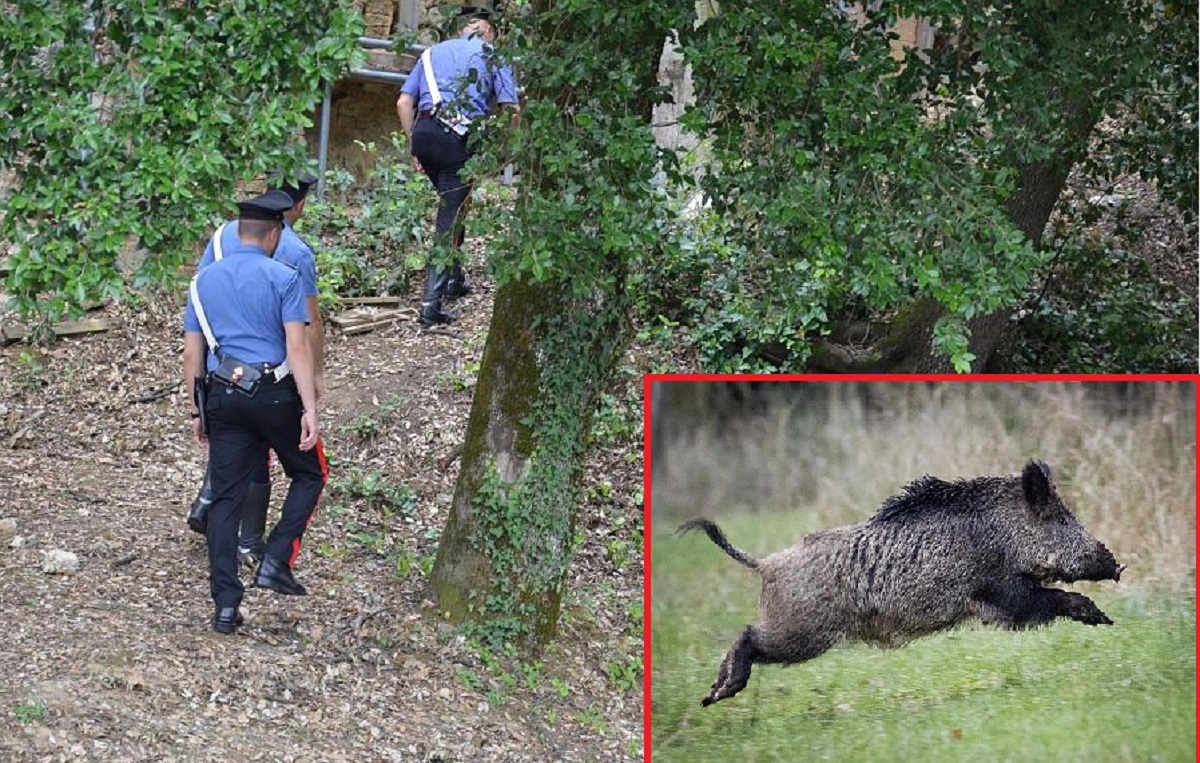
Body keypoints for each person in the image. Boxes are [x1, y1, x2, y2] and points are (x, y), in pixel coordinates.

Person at [183, 189, 327, 634]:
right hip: (274, 393)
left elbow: (193, 353)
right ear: (272, 235)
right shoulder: (283, 278)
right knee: (310, 472)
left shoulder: (202, 281)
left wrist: (197, 410)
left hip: (223, 394)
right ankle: (277, 559)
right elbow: (297, 347)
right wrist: (310, 407)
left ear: (239, 232)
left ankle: (226, 606)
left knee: (226, 498)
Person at [396, 8, 520, 326]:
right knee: (450, 217)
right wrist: (504, 148)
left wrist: (414, 147)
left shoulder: (430, 53)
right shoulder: (494, 54)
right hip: (459, 141)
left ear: (461, 30)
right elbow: (511, 109)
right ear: (488, 31)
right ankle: (430, 305)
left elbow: (403, 103)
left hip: (423, 133)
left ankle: (454, 278)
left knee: (457, 204)